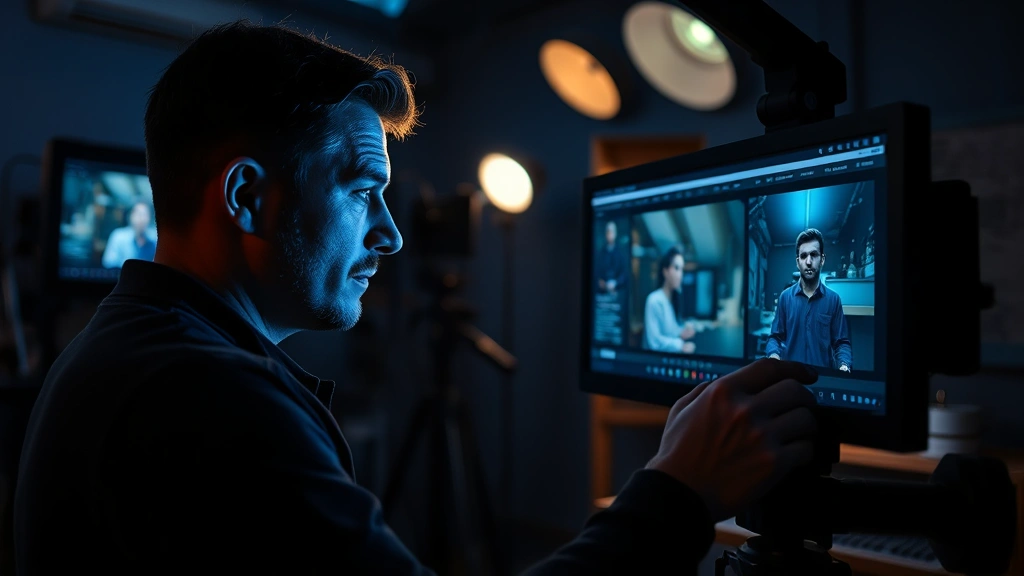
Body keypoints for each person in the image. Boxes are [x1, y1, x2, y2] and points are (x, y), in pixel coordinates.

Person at [14, 21, 820, 575]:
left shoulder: (142, 347)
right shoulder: (201, 395)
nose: (392, 235)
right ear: (249, 197)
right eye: (364, 189)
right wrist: (679, 489)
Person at [766, 228, 853, 371]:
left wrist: (844, 364)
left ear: (822, 259)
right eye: (803, 256)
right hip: (790, 378)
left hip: (823, 379)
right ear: (797, 261)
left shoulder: (833, 300)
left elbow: (841, 343)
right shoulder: (785, 298)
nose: (808, 261)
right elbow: (774, 337)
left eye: (814, 255)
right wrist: (774, 355)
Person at [644, 246, 698, 353]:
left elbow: (670, 330)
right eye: (677, 268)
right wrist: (680, 345)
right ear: (665, 271)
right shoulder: (654, 300)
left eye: (682, 269)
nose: (680, 275)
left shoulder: (671, 299)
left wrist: (681, 332)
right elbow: (654, 342)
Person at [101, 200, 157, 268]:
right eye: (139, 214)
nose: (142, 218)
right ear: (130, 216)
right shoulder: (118, 236)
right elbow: (109, 263)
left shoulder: (154, 238)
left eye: (145, 214)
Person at [595, 221, 628, 294]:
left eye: (611, 232)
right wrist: (600, 281)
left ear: (615, 233)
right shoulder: (601, 253)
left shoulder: (621, 252)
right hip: (602, 291)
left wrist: (616, 283)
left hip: (617, 290)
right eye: (608, 232)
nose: (610, 234)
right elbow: (597, 271)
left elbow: (624, 273)